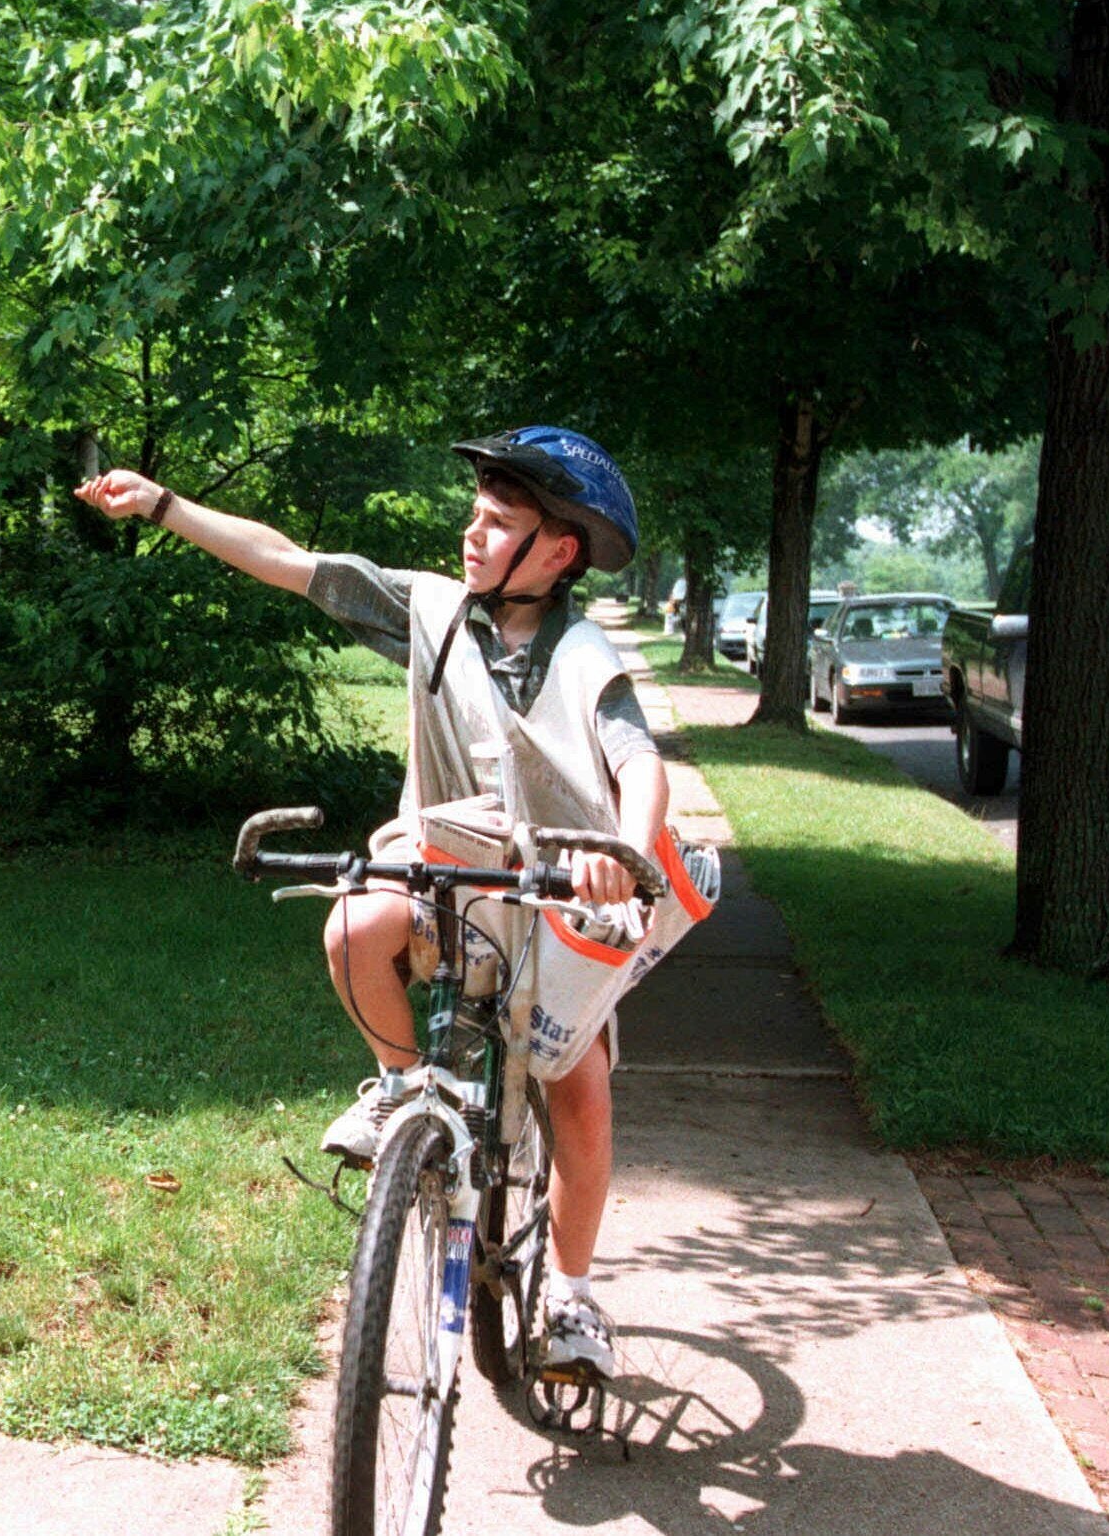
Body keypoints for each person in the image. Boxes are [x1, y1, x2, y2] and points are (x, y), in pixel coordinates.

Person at [73, 425, 669, 1377]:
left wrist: (626, 854)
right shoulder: (430, 610)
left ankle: (571, 1296)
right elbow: (292, 563)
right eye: (473, 515)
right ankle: (406, 1092)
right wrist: (164, 506)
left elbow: (640, 767)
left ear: (559, 554)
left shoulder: (586, 656)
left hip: (561, 901)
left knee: (582, 1092)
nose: (471, 536)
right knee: (351, 922)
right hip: (455, 878)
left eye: (499, 522)